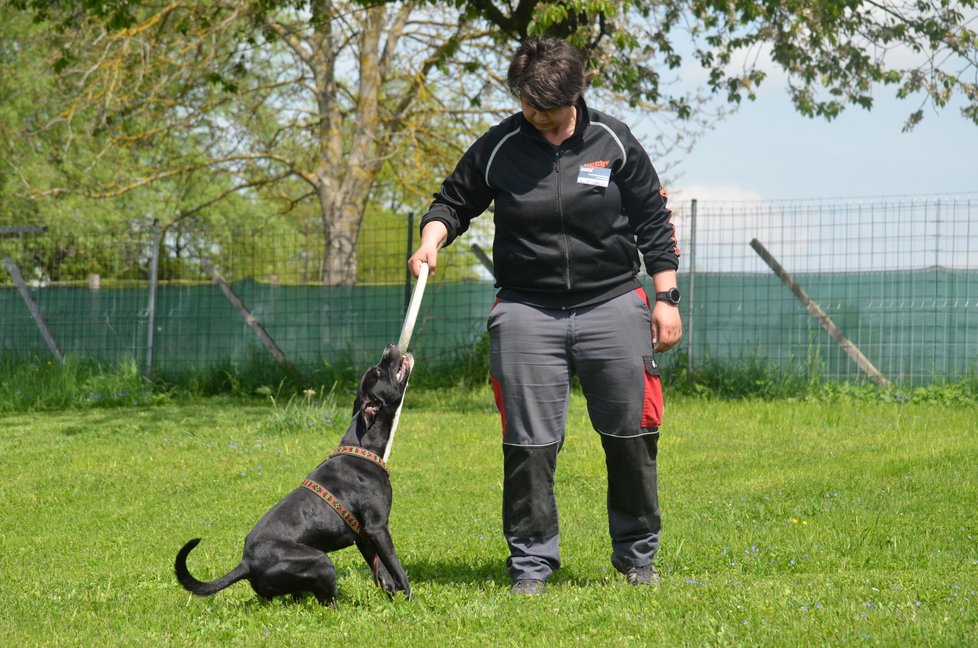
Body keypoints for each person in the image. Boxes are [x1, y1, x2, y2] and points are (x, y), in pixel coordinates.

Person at [408, 36, 682, 596]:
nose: (533, 115)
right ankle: (531, 566)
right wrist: (431, 239)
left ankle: (637, 560)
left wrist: (666, 296)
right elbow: (453, 201)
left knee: (632, 437)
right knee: (528, 445)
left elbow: (653, 219)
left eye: (545, 107)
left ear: (575, 95)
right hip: (527, 310)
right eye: (525, 103)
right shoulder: (501, 145)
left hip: (612, 303)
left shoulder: (613, 141)